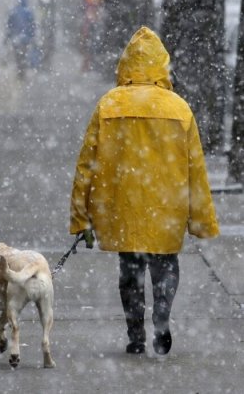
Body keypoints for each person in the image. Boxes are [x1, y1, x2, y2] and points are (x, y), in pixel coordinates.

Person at [70, 26, 219, 356]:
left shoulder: (109, 105)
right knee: (165, 265)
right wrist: (202, 220)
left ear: (125, 66)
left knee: (130, 271)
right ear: (161, 66)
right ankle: (162, 320)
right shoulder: (179, 108)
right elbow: (196, 169)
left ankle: (135, 334)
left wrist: (81, 217)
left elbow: (86, 165)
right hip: (167, 205)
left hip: (125, 206)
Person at [5, 0, 36, 78]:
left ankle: (19, 70)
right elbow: (32, 26)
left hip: (16, 38)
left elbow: (9, 26)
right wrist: (32, 37)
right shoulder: (28, 12)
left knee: (17, 55)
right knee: (24, 54)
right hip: (25, 39)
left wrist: (8, 37)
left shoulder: (14, 12)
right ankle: (23, 70)